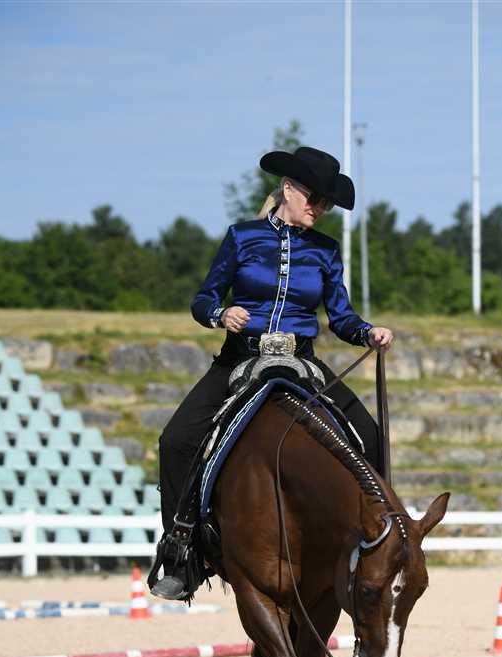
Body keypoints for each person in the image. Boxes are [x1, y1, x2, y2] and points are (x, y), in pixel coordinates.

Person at [150, 145, 394, 600]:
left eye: (326, 203)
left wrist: (367, 333)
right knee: (176, 441)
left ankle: (374, 545)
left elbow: (341, 317)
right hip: (239, 358)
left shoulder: (326, 251)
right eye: (314, 198)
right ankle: (181, 549)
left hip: (301, 361)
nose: (319, 209)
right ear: (288, 189)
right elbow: (203, 299)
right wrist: (221, 315)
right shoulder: (242, 238)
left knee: (373, 439)